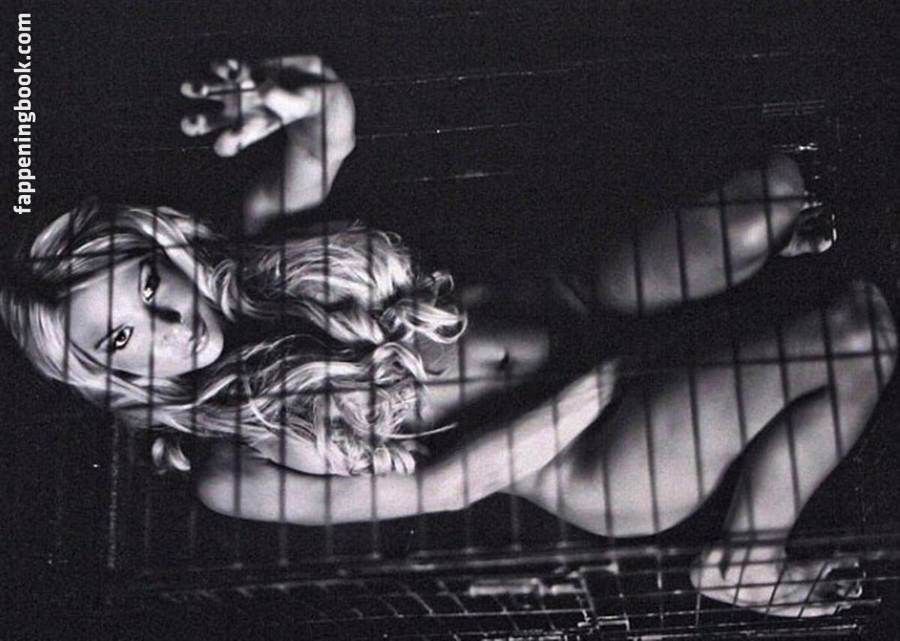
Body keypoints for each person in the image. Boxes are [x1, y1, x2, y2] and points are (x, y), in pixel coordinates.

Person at [0, 56, 894, 619]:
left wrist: (292, 94)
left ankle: (750, 286)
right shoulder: (227, 471)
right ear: (104, 376)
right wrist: (605, 378)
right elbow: (445, 483)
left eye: (148, 285)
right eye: (121, 338)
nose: (167, 325)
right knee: (859, 332)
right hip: (592, 447)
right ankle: (747, 557)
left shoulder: (256, 248)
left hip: (575, 300)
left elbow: (326, 130)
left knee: (775, 193)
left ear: (164, 252)